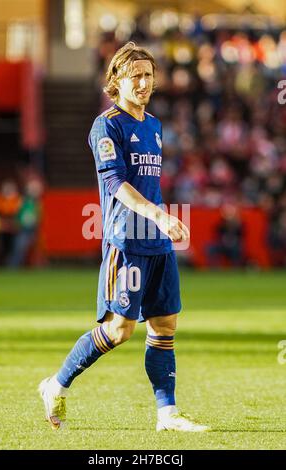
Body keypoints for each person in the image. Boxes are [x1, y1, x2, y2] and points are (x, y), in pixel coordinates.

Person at [39, 42, 209, 433]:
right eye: (136, 75)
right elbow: (115, 182)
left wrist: (162, 221)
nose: (144, 82)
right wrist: (158, 215)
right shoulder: (106, 124)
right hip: (126, 240)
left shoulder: (154, 125)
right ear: (116, 79)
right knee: (119, 330)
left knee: (165, 325)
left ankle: (167, 414)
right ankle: (56, 383)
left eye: (149, 75)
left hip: (158, 241)